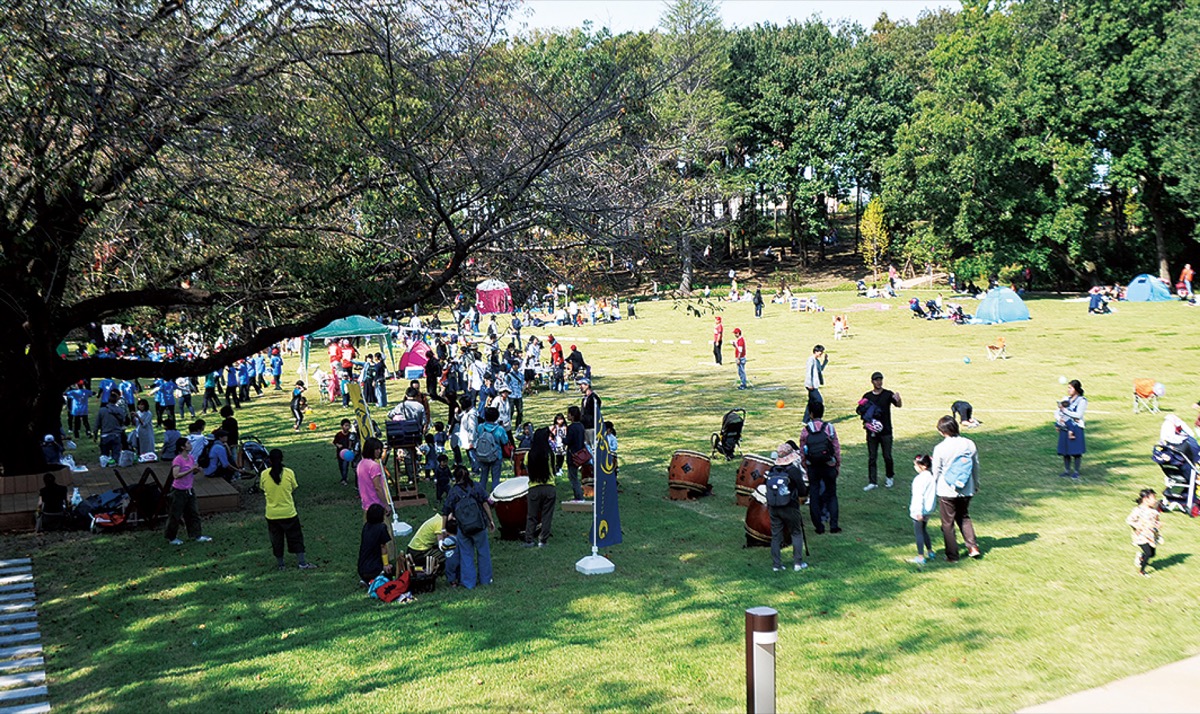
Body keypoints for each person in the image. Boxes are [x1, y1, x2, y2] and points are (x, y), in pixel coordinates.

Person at [932, 415, 981, 562]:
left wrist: (932, 487)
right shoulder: (969, 444)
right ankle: (973, 547)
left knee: (947, 523)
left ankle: (952, 555)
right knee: (964, 517)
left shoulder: (940, 448)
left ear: (942, 431)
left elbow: (936, 471)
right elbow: (975, 465)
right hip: (967, 487)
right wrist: (976, 483)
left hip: (947, 490)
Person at [260, 449, 316, 570]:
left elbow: (262, 488)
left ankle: (281, 565)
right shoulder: (289, 473)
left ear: (269, 460)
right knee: (296, 537)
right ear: (282, 459)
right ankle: (302, 563)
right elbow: (293, 487)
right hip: (288, 512)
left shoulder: (264, 474)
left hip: (272, 514)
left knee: (277, 540)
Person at [441, 466, 494, 589]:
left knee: (466, 555)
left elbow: (445, 512)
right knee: (483, 552)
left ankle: (469, 583)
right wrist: (490, 520)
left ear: (455, 477)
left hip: (463, 529)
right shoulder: (476, 486)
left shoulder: (453, 492)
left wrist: (443, 529)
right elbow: (485, 502)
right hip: (479, 526)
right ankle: (486, 580)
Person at [799, 400, 841, 534]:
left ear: (810, 414)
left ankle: (819, 527)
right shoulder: (829, 428)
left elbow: (802, 451)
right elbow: (836, 448)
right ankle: (833, 525)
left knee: (815, 495)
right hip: (828, 465)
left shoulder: (805, 430)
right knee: (832, 494)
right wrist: (837, 464)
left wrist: (806, 466)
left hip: (813, 467)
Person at [766, 443, 808, 572]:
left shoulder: (772, 470)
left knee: (776, 536)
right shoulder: (793, 470)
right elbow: (802, 489)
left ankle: (776, 565)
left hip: (773, 506)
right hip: (790, 506)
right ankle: (798, 563)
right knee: (796, 532)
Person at [859, 371, 903, 491]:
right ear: (872, 382)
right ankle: (872, 481)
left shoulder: (888, 394)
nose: (878, 382)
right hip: (872, 432)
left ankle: (890, 476)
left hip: (886, 431)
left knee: (887, 456)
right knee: (872, 457)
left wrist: (898, 399)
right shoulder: (867, 396)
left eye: (880, 380)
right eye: (876, 380)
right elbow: (860, 410)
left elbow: (898, 405)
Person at [166, 436, 211, 545]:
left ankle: (196, 535)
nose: (190, 445)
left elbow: (190, 472)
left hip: (189, 489)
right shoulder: (178, 459)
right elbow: (176, 475)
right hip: (178, 491)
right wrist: (190, 469)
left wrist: (195, 471)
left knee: (193, 513)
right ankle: (171, 538)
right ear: (182, 447)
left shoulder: (190, 458)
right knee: (175, 515)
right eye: (188, 443)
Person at [525, 426, 555, 548]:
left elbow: (527, 469)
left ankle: (529, 540)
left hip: (534, 487)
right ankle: (543, 541)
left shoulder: (529, 454)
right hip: (549, 487)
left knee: (531, 515)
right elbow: (554, 468)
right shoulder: (550, 454)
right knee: (546, 515)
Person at [908, 454, 938, 564]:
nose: (915, 467)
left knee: (919, 532)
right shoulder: (931, 477)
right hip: (929, 509)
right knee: (924, 530)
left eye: (916, 465)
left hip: (919, 510)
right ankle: (930, 551)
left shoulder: (919, 479)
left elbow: (918, 496)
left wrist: (918, 512)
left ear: (923, 466)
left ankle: (920, 556)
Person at [1126, 489, 1163, 577]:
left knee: (1152, 554)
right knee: (1148, 553)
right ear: (1145, 499)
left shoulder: (1154, 511)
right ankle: (1142, 571)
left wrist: (1158, 524)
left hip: (1151, 535)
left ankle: (1141, 556)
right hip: (1141, 535)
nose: (1155, 500)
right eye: (1153, 498)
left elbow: (1156, 520)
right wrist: (1137, 526)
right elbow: (1129, 520)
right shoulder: (1138, 510)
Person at [1056, 380, 1088, 480]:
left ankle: (1076, 471)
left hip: (1076, 428)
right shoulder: (1066, 399)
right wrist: (1058, 419)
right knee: (1065, 451)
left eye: (1070, 388)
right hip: (1065, 427)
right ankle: (1067, 470)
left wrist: (1064, 411)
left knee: (1076, 451)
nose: (1068, 390)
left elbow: (1078, 415)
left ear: (1076, 389)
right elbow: (1058, 411)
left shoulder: (1082, 400)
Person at [358, 503, 393, 586]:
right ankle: (376, 579)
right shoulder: (381, 528)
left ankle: (366, 580)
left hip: (362, 568)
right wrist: (386, 564)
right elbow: (383, 546)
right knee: (393, 569)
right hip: (374, 569)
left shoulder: (366, 527)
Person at [474, 406, 508, 489]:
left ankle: (481, 496)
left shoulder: (480, 427)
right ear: (496, 417)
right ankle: (494, 497)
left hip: (482, 454)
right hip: (496, 455)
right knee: (495, 478)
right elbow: (505, 441)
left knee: (483, 477)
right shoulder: (499, 429)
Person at [357, 438, 389, 516]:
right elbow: (378, 487)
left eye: (380, 449)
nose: (379, 451)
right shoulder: (374, 466)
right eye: (377, 449)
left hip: (366, 505)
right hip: (377, 506)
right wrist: (386, 505)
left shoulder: (361, 463)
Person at [94, 392, 129, 463]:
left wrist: (95, 435)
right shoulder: (119, 410)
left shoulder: (102, 410)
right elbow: (123, 421)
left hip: (105, 435)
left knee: (104, 455)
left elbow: (97, 424)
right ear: (116, 400)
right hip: (116, 434)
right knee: (116, 454)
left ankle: (105, 467)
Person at [565, 405, 587, 500]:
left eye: (568, 414)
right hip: (580, 454)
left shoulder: (571, 427)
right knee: (574, 476)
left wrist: (561, 439)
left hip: (572, 455)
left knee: (573, 478)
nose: (567, 416)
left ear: (572, 415)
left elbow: (568, 441)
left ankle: (579, 497)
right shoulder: (581, 426)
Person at [803, 345, 827, 422]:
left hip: (814, 385)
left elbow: (820, 370)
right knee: (818, 400)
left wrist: (825, 361)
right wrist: (809, 384)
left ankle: (806, 420)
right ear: (815, 351)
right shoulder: (811, 360)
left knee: (811, 403)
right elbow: (808, 373)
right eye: (820, 352)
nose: (821, 353)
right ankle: (816, 418)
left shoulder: (816, 361)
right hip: (811, 385)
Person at [579, 378, 602, 446]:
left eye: (582, 385)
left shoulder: (593, 398)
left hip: (592, 427)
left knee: (593, 446)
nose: (580, 387)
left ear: (587, 385)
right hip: (585, 427)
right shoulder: (584, 399)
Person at [333, 419, 354, 486]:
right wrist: (338, 445)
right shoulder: (339, 435)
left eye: (348, 426)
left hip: (347, 454)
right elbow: (335, 442)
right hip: (339, 453)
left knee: (345, 466)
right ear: (342, 426)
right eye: (346, 426)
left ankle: (344, 479)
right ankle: (343, 476)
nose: (347, 427)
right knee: (341, 466)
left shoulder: (351, 435)